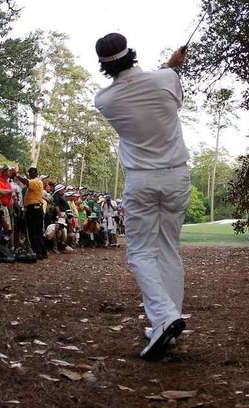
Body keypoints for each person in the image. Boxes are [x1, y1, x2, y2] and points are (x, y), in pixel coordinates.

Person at [93, 33, 190, 360]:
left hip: (142, 181)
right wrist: (173, 67)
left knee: (141, 253)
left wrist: (170, 68)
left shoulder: (104, 101)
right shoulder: (167, 78)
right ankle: (167, 318)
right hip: (177, 175)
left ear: (104, 66)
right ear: (131, 54)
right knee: (168, 250)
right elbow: (166, 94)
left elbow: (138, 90)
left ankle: (165, 317)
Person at [23, 167, 47, 258]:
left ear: (36, 174)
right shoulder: (35, 182)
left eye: (32, 173)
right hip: (34, 208)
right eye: (30, 173)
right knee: (36, 231)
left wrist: (17, 176)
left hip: (35, 209)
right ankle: (41, 252)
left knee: (34, 232)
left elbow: (26, 182)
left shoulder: (36, 181)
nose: (31, 175)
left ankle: (38, 252)